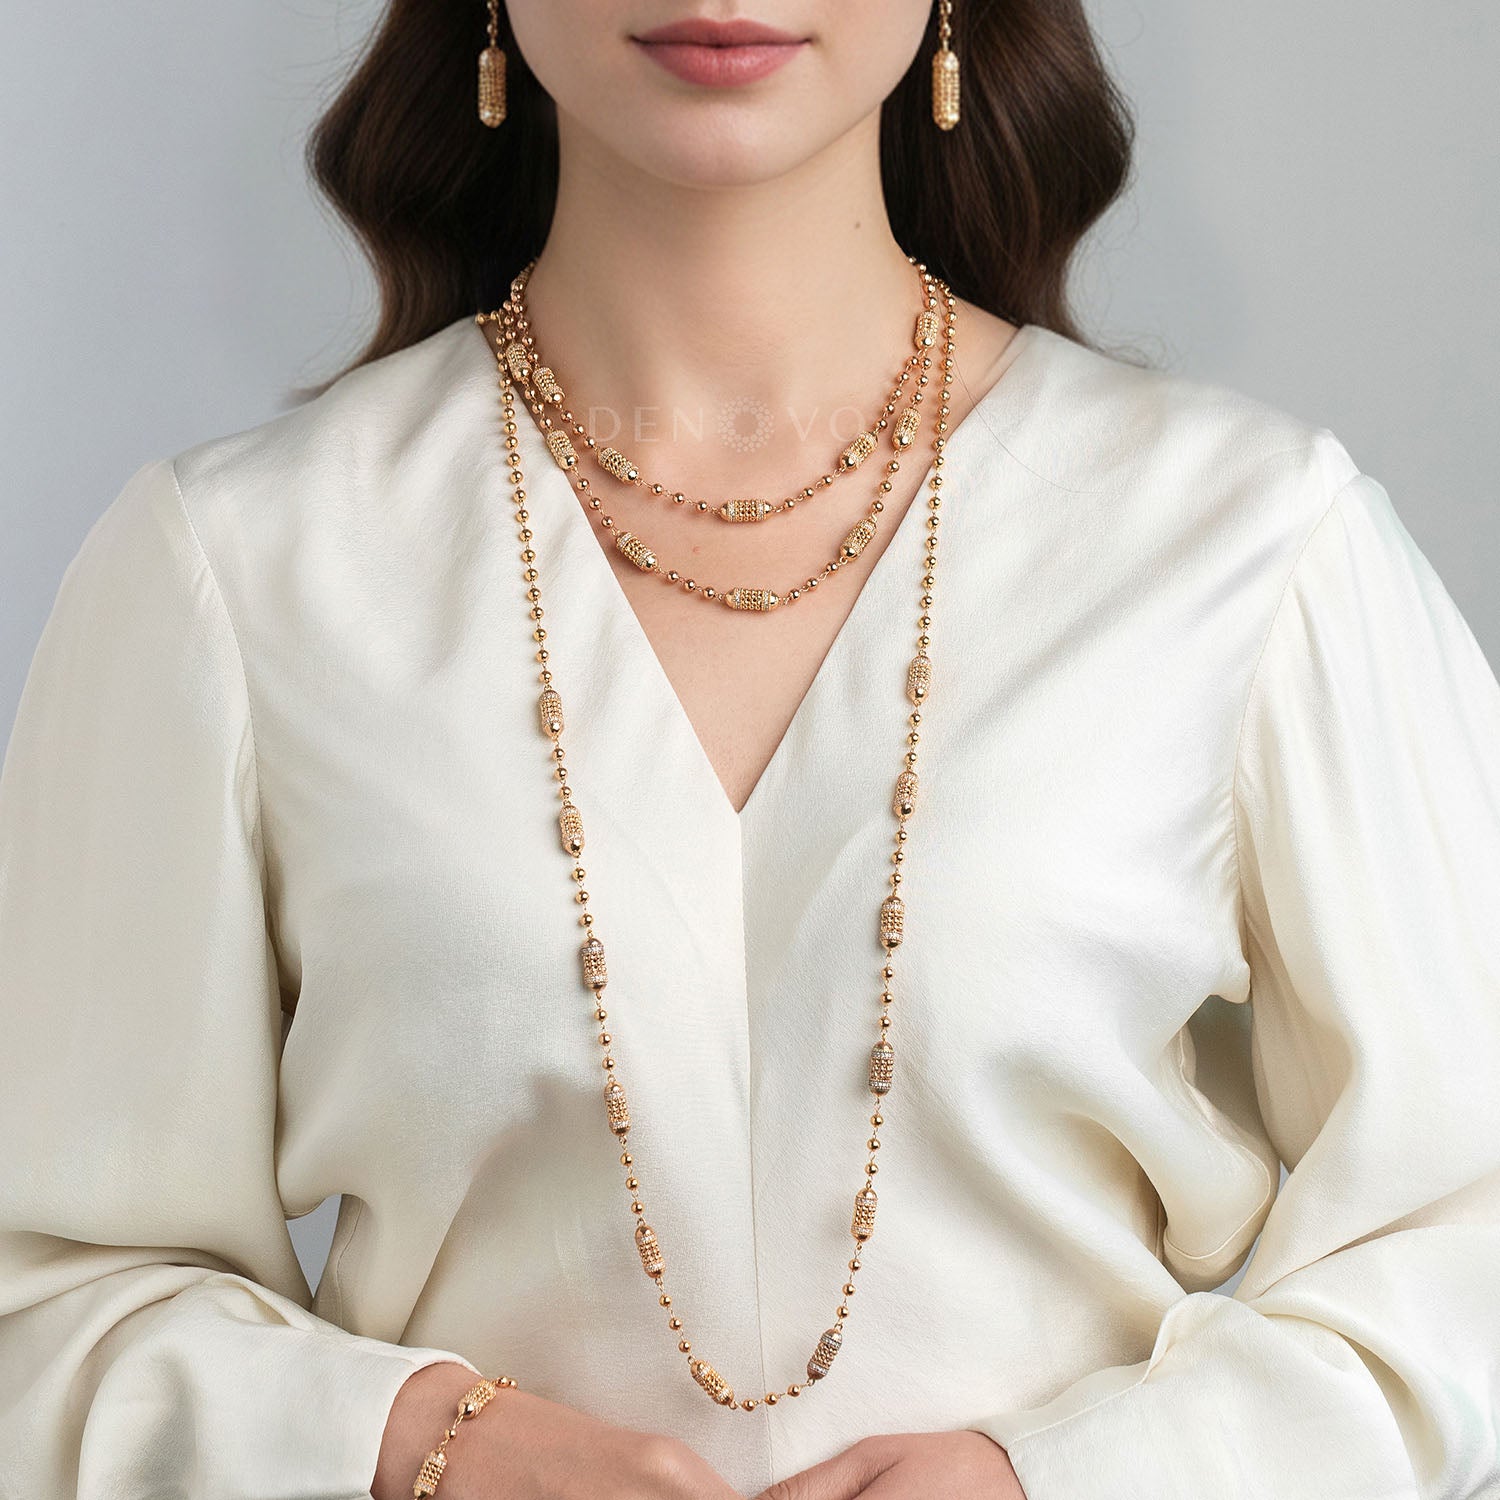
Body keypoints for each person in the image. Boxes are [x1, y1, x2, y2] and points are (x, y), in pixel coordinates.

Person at [2, 2, 1498, 1497]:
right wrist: (416, 1447)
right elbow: (49, 1303)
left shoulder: (1246, 546)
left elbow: (1465, 1240)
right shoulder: (242, 569)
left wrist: (1065, 1479)